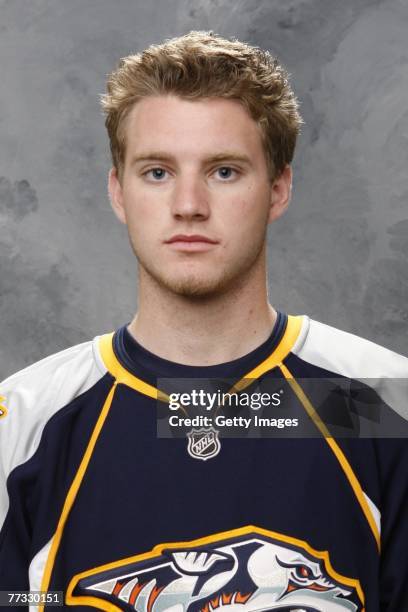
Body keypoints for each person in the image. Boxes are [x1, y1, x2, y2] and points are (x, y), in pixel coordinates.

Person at [0, 30, 407, 611]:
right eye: (158, 172)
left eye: (223, 171)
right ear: (119, 192)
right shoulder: (22, 422)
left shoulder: (379, 403)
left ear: (279, 189)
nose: (188, 204)